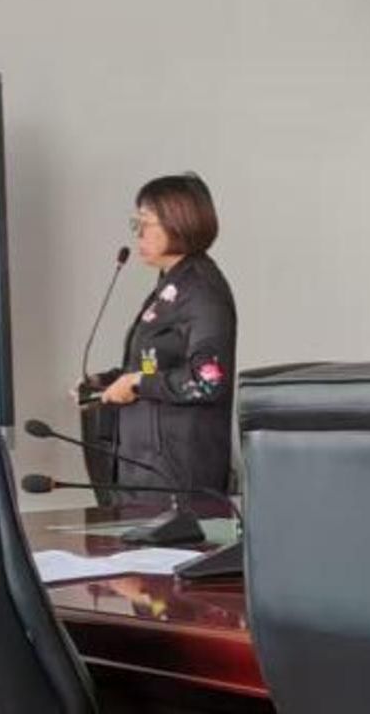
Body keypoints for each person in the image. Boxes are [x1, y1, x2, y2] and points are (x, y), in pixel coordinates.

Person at [89, 173, 237, 504]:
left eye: (146, 223)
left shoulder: (201, 290)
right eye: (136, 223)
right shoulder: (173, 285)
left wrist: (137, 383)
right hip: (146, 470)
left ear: (179, 222)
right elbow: (154, 364)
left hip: (177, 475)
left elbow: (208, 380)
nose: (138, 234)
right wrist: (106, 381)